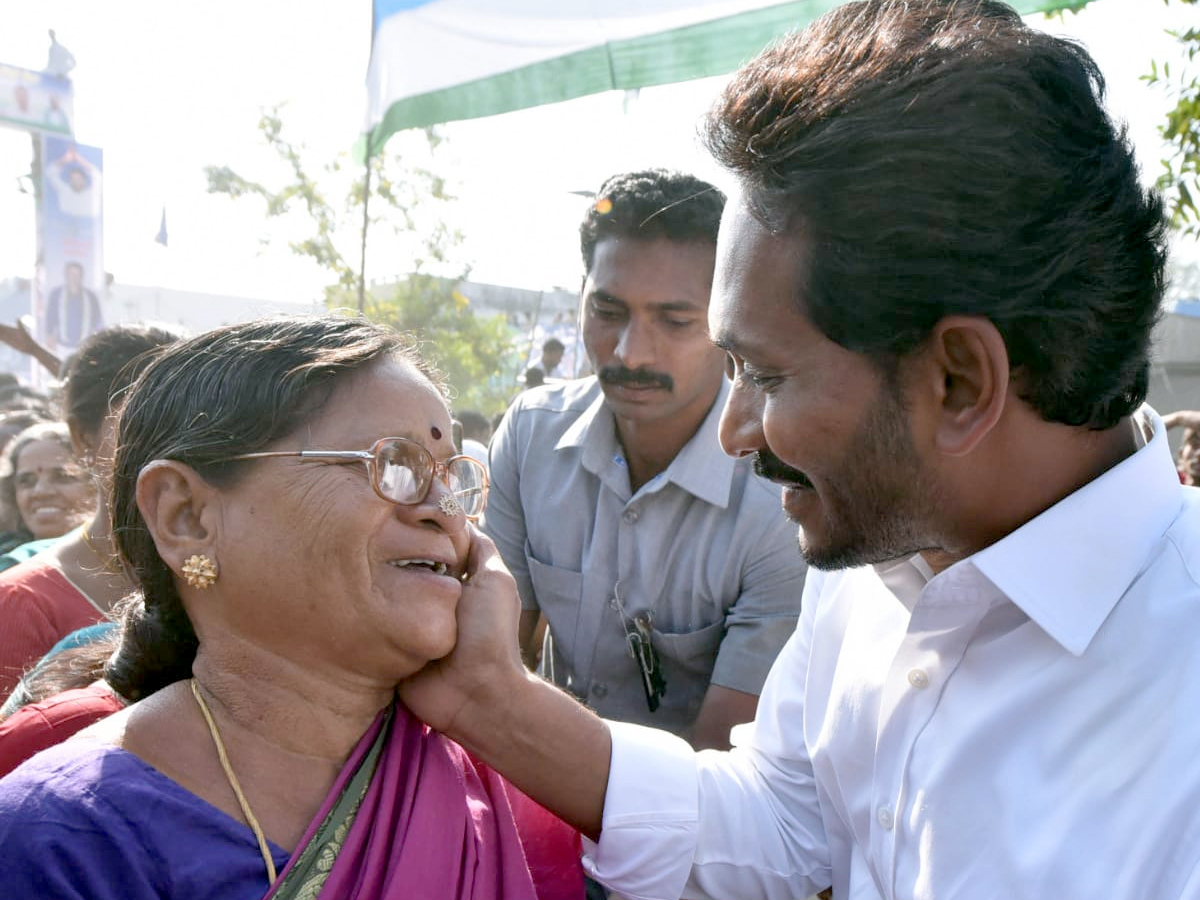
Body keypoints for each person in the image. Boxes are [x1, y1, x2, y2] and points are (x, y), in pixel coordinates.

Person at [396, 1, 1197, 898]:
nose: (734, 434)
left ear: (962, 383)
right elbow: (783, 817)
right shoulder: (878, 551)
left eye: (765, 376)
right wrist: (485, 703)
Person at [0, 315, 583, 900]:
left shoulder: (512, 783)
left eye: (452, 478)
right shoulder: (65, 835)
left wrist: (499, 694)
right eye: (394, 465)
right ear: (187, 517)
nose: (445, 513)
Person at [484, 169, 806, 749]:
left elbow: (721, 755)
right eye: (608, 312)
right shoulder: (530, 436)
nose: (631, 352)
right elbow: (492, 666)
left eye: (675, 321)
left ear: (727, 321)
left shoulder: (781, 498)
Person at [0, 324, 180, 697]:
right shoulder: (23, 602)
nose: (173, 443)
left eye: (187, 420)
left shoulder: (222, 571)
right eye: (144, 422)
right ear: (83, 437)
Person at [0, 422, 92, 557]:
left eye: (63, 477)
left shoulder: (123, 565)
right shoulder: (8, 562)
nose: (41, 492)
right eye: (26, 481)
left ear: (96, 486)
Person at [44, 261, 104, 355]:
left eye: (77, 274)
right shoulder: (56, 294)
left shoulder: (91, 297)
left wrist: (99, 341)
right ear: (66, 275)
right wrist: (50, 336)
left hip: (84, 348)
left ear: (81, 276)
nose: (73, 277)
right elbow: (50, 318)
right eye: (71, 274)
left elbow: (98, 320)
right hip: (62, 347)